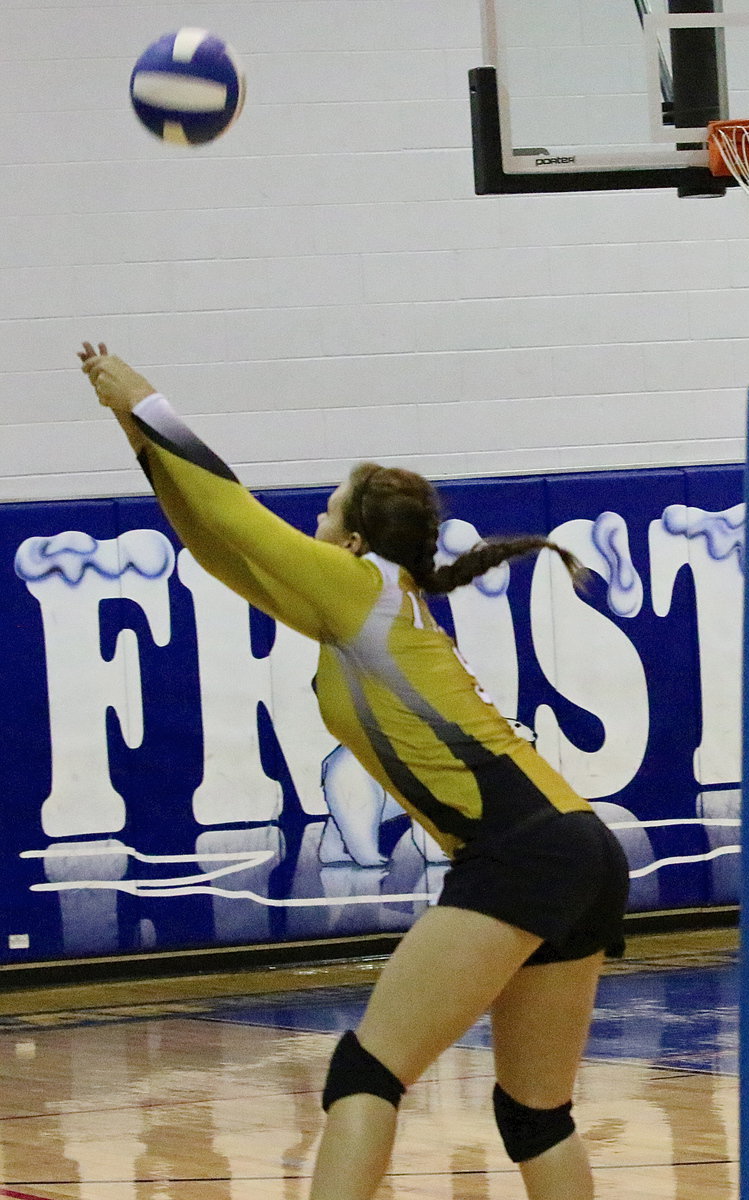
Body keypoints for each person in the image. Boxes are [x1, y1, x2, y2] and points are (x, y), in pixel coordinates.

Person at [78, 341, 630, 1200]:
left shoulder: (355, 586)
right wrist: (135, 435)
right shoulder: (371, 604)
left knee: (364, 1073)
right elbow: (218, 547)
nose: (315, 527)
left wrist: (145, 399)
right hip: (578, 850)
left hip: (518, 853)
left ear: (356, 538)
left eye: (326, 513)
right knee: (535, 1115)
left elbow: (231, 512)